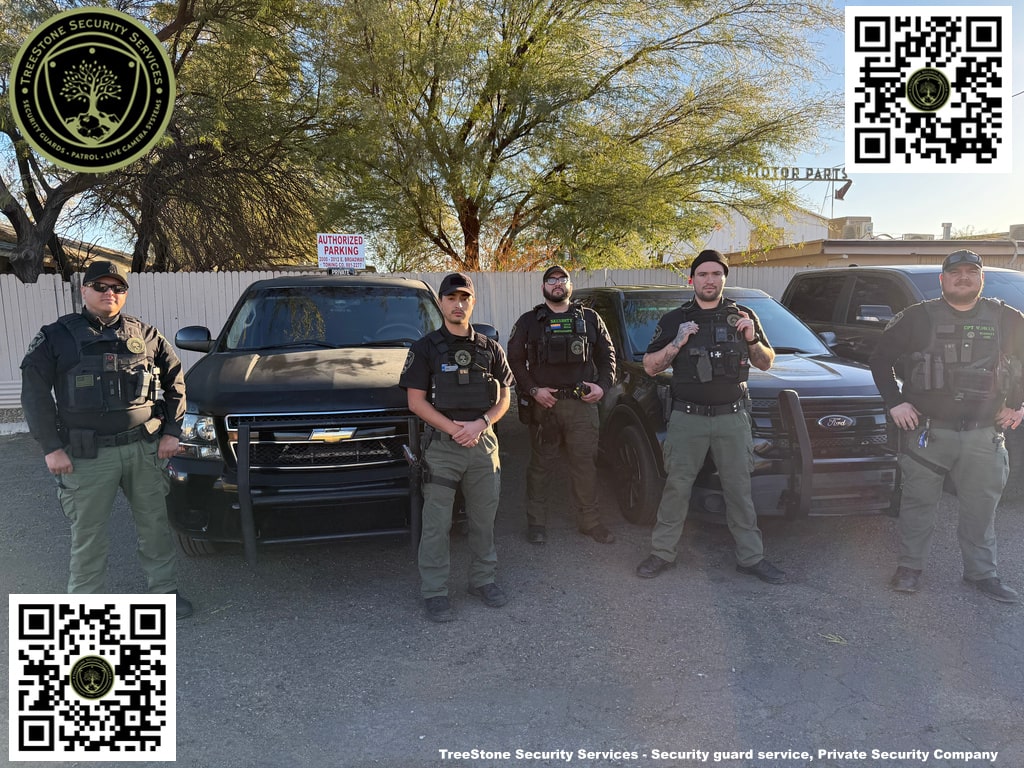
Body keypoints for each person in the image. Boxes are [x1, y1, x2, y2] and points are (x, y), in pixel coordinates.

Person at [20, 260, 192, 618]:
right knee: (89, 536)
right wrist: (51, 447)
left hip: (144, 449)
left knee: (155, 527)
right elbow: (34, 393)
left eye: (117, 288)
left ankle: (165, 593)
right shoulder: (56, 336)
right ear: (84, 290)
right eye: (100, 286)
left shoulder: (145, 334)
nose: (109, 293)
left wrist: (172, 432)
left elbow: (175, 378)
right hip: (87, 456)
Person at [869, 249, 1024, 603]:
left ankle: (982, 573)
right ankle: (909, 568)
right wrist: (895, 402)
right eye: (956, 273)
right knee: (917, 505)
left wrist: (1018, 404)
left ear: (981, 278)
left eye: (971, 272)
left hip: (984, 434)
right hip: (929, 432)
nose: (963, 277)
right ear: (943, 279)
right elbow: (879, 361)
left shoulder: (1006, 317)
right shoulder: (917, 317)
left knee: (981, 508)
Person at [635, 250, 786, 584]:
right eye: (703, 274)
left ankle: (751, 557)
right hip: (687, 419)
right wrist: (677, 343)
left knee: (739, 490)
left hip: (732, 418)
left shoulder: (743, 315)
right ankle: (662, 553)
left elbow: (766, 362)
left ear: (724, 278)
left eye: (716, 274)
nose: (709, 280)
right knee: (676, 488)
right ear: (692, 279)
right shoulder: (675, 319)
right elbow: (650, 366)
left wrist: (751, 339)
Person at [399, 273, 513, 622]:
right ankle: (435, 591)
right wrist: (455, 429)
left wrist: (481, 424)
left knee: (483, 519)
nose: (458, 304)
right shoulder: (424, 348)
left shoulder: (490, 348)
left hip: (483, 444)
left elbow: (506, 396)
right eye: (451, 298)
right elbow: (416, 402)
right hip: (443, 447)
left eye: (464, 298)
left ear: (472, 302)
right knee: (437, 523)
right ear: (441, 303)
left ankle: (483, 580)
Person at [507, 265, 617, 545]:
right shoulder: (529, 321)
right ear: (543, 287)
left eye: (562, 279)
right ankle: (536, 522)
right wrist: (533, 390)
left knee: (585, 464)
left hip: (581, 405)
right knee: (541, 465)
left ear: (570, 285)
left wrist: (602, 386)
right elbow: (515, 360)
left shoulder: (590, 318)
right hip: (545, 405)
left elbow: (608, 355)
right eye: (551, 280)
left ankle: (590, 521)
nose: (557, 284)